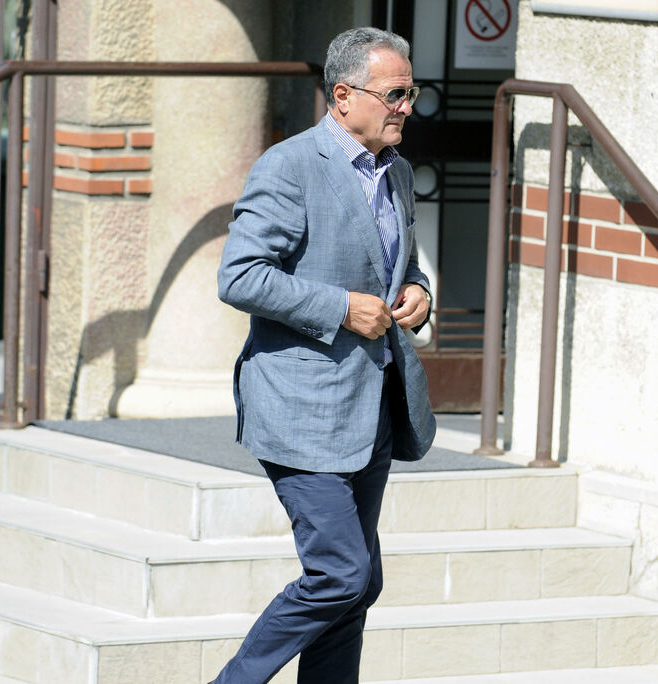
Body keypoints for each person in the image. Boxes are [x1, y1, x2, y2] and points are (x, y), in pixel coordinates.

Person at [212, 27, 436, 684]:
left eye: (411, 93)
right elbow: (240, 276)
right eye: (395, 94)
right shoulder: (289, 167)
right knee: (341, 574)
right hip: (301, 408)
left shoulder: (397, 173)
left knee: (357, 587)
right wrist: (340, 307)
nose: (406, 107)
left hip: (372, 407)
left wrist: (418, 292)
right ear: (343, 96)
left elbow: (398, 265)